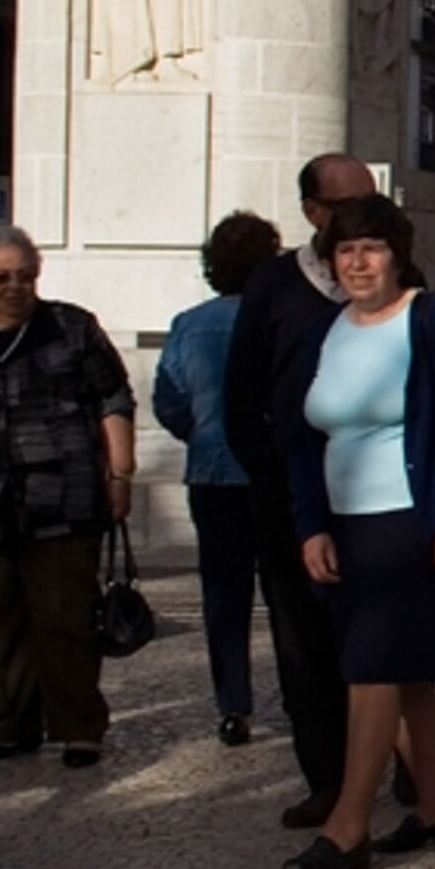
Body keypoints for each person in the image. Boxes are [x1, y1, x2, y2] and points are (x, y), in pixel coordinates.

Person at [276, 194, 435, 869]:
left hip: (415, 521)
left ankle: (349, 828)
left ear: (398, 254)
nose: (357, 262)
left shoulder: (430, 320)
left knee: (370, 669)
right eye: (344, 250)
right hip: (348, 524)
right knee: (403, 681)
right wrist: (311, 523)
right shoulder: (327, 329)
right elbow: (300, 436)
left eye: (371, 247)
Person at [0, 225, 136, 768]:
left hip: (63, 497)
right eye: (1, 278)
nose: (16, 287)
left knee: (66, 616)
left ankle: (78, 727)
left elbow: (113, 397)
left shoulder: (71, 328)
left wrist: (120, 474)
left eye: (26, 276)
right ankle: (13, 722)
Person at [225, 153, 379, 827]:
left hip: (379, 497)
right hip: (291, 495)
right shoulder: (273, 286)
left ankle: (395, 763)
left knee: (383, 637)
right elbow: (242, 391)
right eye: (346, 207)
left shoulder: (401, 282)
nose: (364, 222)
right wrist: (274, 479)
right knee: (303, 642)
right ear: (313, 213)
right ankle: (327, 777)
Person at [152, 209, 286, 745]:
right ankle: (297, 694)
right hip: (272, 474)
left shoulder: (189, 324)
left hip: (211, 475)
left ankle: (234, 705)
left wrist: (202, 432)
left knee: (223, 596)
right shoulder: (280, 318)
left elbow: (167, 400)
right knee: (284, 593)